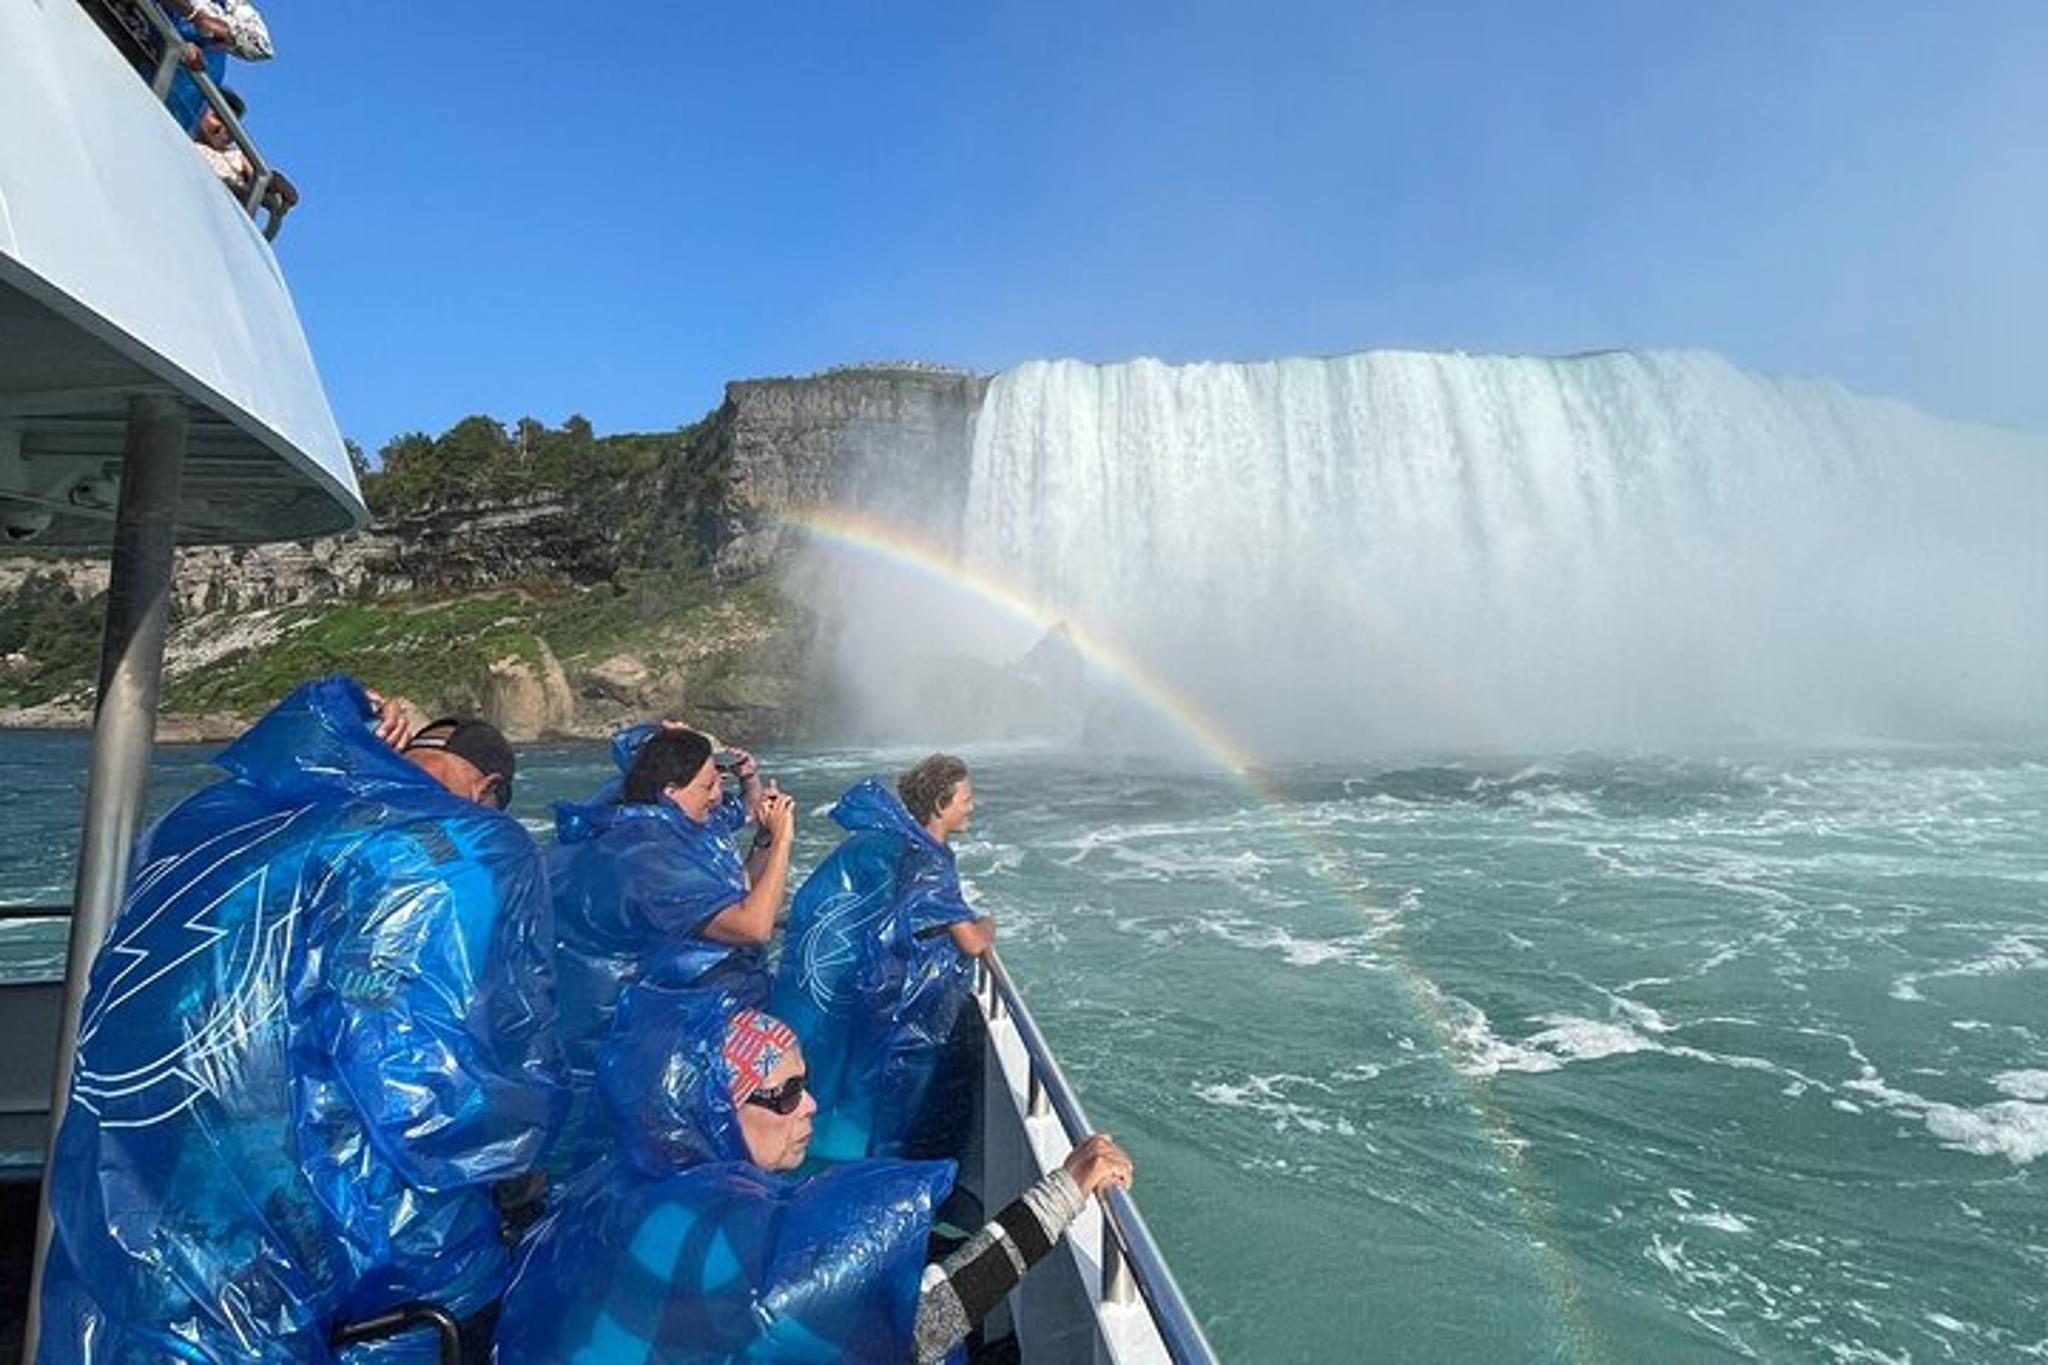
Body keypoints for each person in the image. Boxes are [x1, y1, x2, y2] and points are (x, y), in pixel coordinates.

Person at [35, 677, 566, 1364]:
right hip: (314, 1264)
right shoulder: (455, 842)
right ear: (489, 786)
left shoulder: (209, 820)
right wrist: (516, 1173)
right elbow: (429, 1098)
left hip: (126, 1237)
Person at [494, 987, 1134, 1364]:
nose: (809, 1105)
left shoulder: (631, 1179)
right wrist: (1066, 1190)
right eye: (782, 1094)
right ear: (718, 1109)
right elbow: (923, 1322)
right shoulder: (722, 1229)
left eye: (806, 1084)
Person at [546, 723, 795, 1176]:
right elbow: (755, 924)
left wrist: (761, 839)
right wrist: (782, 841)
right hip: (665, 1037)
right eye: (708, 785)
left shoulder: (673, 833)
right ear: (670, 791)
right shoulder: (646, 854)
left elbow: (737, 897)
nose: (719, 795)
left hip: (704, 1020)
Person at [772, 753, 993, 1161]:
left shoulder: (898, 846)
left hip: (876, 990)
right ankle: (874, 1168)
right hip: (904, 1006)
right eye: (965, 798)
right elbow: (972, 942)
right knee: (892, 1097)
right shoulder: (930, 861)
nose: (971, 806)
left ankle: (836, 1156)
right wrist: (989, 924)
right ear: (941, 805)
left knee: (857, 1083)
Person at [192, 87, 299, 217]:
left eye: (231, 125)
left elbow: (261, 174)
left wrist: (275, 182)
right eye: (218, 118)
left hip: (219, 211)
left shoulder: (234, 157)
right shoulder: (179, 135)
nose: (224, 129)